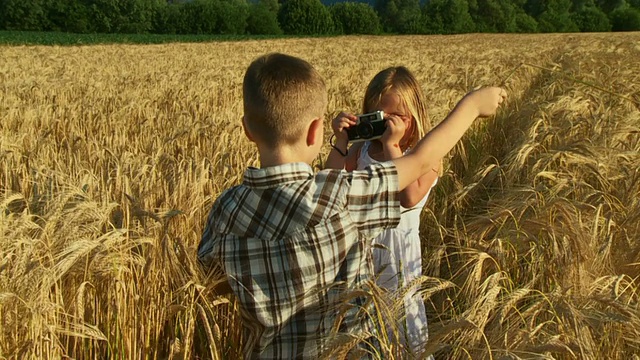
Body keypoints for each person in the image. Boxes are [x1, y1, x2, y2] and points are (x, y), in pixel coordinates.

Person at [197, 52, 507, 359]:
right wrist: (472, 106)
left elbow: (210, 286)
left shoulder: (225, 208)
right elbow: (419, 161)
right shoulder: (338, 197)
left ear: (247, 130)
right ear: (317, 131)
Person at [324, 66, 439, 357]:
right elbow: (329, 185)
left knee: (402, 333)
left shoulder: (424, 157)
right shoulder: (360, 152)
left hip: (399, 266)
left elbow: (409, 196)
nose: (389, 124)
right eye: (380, 117)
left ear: (415, 115)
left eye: (397, 117)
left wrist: (391, 146)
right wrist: (341, 140)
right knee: (362, 334)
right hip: (360, 261)